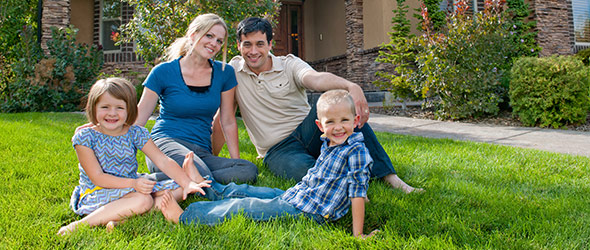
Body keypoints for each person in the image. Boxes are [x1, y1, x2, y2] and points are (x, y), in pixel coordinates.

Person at [214, 17, 420, 193]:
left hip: (311, 130)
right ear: (238, 46)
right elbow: (225, 118)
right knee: (308, 175)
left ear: (270, 44)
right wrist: (228, 161)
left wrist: (351, 86)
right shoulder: (232, 72)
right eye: (247, 44)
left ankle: (390, 177)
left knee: (342, 105)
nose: (253, 51)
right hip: (277, 150)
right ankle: (344, 181)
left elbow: (317, 79)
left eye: (259, 44)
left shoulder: (289, 64)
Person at [159, 90, 379, 238]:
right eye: (330, 122)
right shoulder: (330, 141)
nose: (338, 127)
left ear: (356, 121)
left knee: (246, 207)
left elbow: (357, 194)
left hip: (310, 211)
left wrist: (358, 235)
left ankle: (186, 217)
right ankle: (209, 187)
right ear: (320, 126)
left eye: (344, 121)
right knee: (248, 191)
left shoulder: (356, 152)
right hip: (300, 195)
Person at [58, 78, 211, 235]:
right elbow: (97, 177)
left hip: (131, 188)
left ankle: (121, 219)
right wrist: (133, 183)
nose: (112, 113)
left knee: (179, 188)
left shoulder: (135, 133)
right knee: (144, 200)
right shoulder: (85, 137)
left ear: (129, 109)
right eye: (105, 107)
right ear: (93, 108)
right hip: (99, 191)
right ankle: (81, 224)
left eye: (119, 107)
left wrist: (186, 183)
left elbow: (163, 161)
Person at [136, 13, 257, 185]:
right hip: (165, 143)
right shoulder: (163, 72)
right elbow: (139, 120)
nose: (214, 44)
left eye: (219, 41)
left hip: (201, 151)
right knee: (198, 170)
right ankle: (189, 178)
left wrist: (235, 162)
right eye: (209, 35)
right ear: (193, 35)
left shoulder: (225, 73)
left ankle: (161, 181)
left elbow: (228, 121)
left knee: (248, 170)